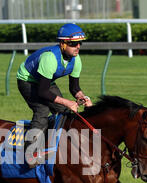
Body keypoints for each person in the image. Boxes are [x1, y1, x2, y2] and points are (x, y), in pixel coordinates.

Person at [16, 23, 93, 168]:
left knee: (64, 112)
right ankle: (30, 152)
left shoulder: (76, 60)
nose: (78, 47)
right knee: (42, 110)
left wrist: (82, 96)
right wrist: (67, 102)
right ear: (62, 44)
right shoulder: (50, 58)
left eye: (80, 43)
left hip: (45, 81)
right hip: (27, 81)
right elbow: (42, 92)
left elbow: (74, 87)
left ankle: (53, 143)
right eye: (73, 44)